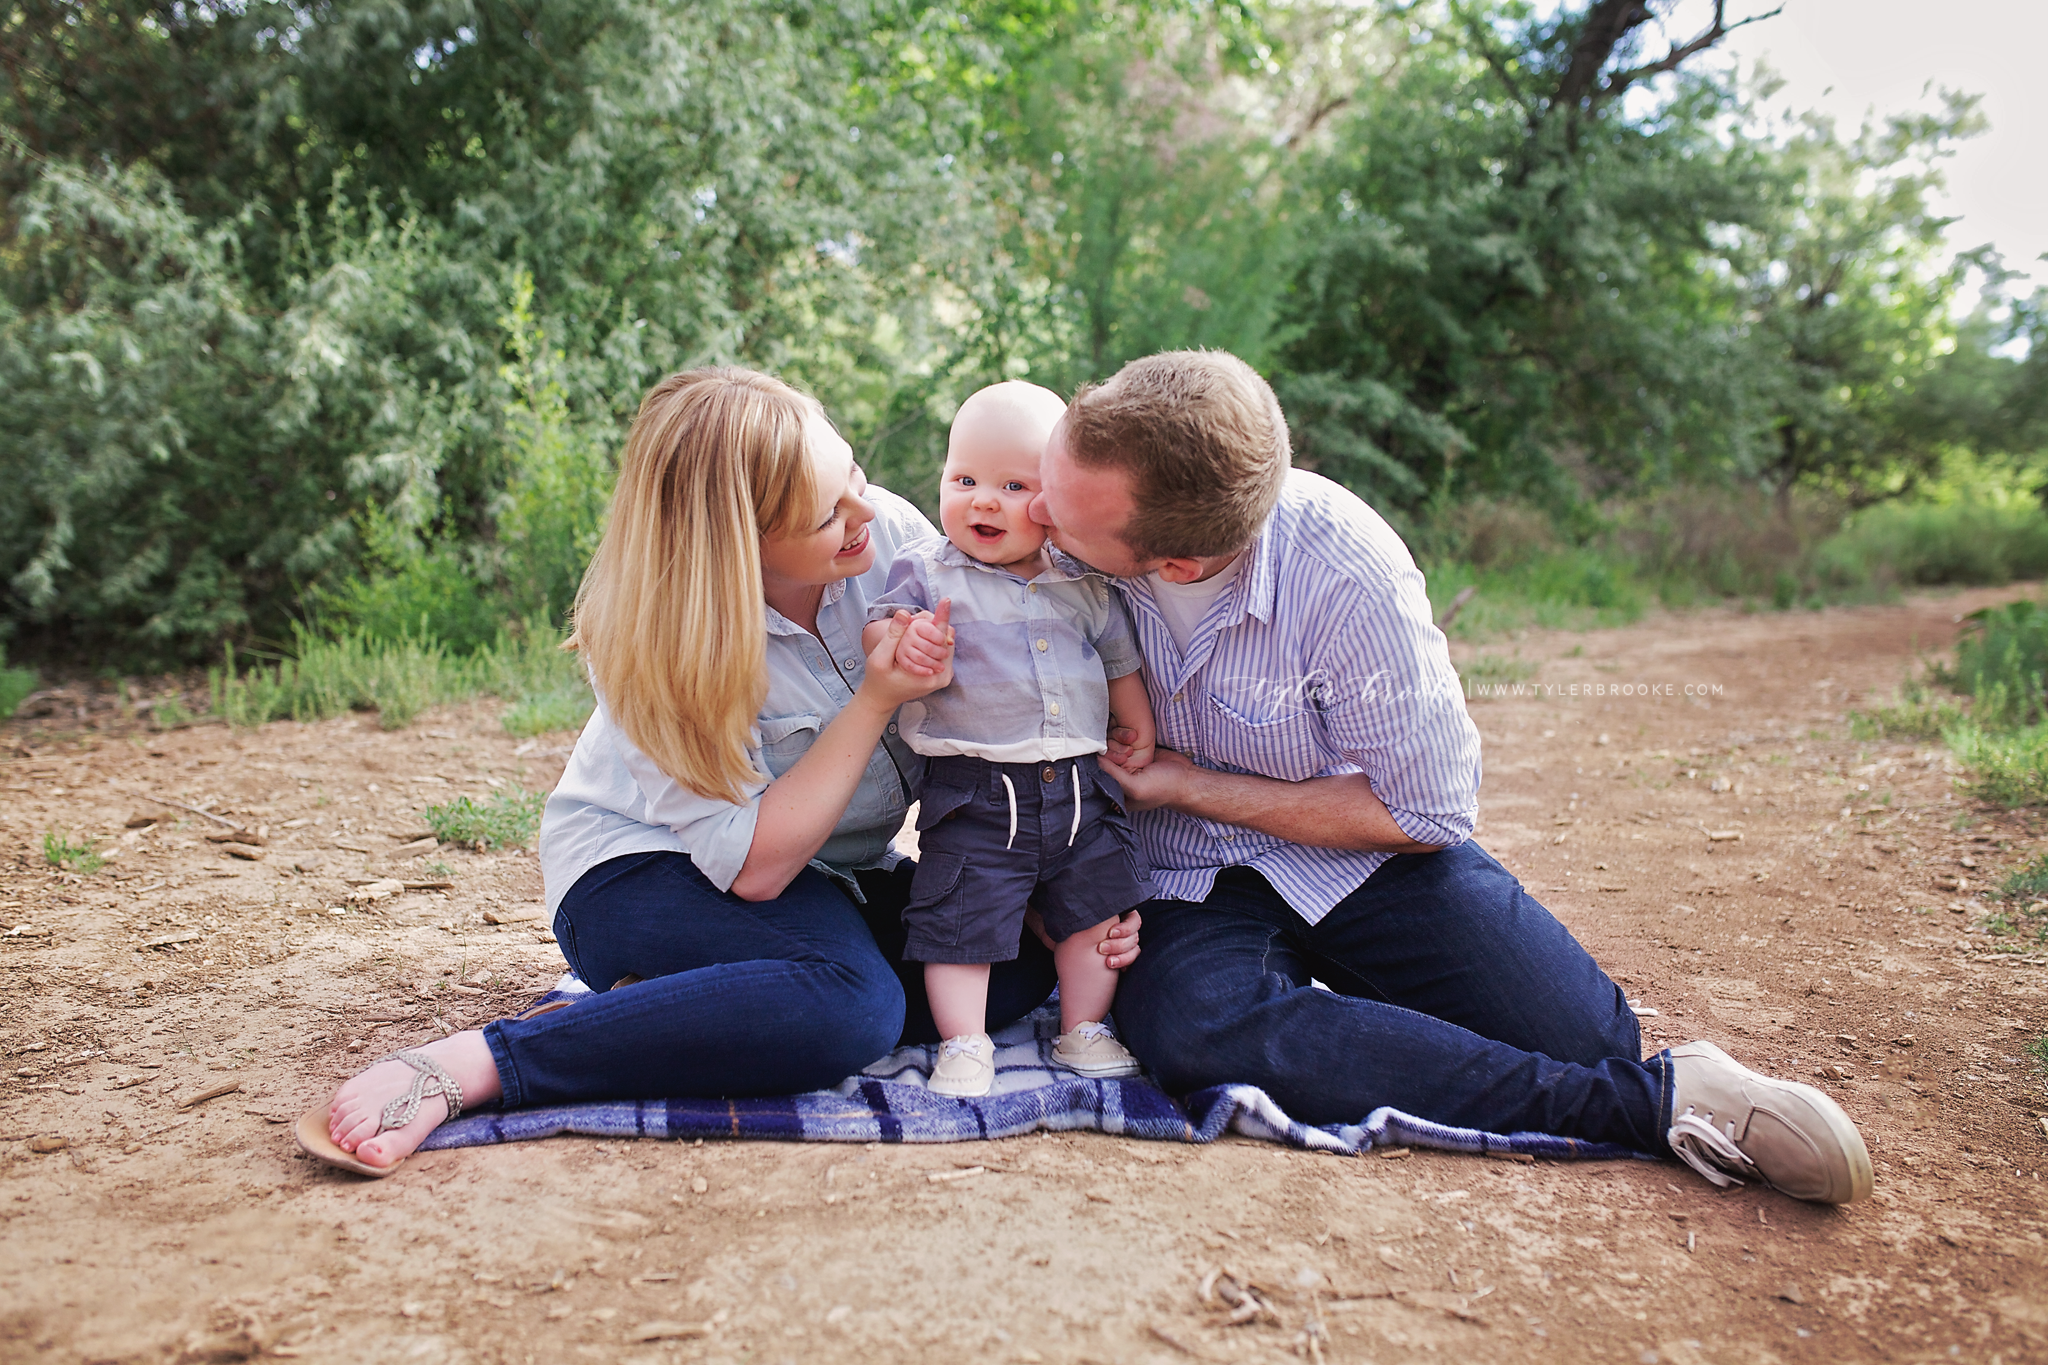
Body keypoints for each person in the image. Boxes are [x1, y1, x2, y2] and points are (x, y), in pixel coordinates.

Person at [1028, 349, 1872, 1204]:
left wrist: (1187, 783)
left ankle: (1598, 1077)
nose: (1037, 515)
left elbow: (1424, 808)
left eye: (1061, 514)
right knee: (1198, 1035)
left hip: (1353, 849)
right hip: (1177, 875)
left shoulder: (1346, 573)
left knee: (1588, 1034)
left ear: (1173, 562)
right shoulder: (1047, 539)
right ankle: (1650, 1106)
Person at [296, 367, 1139, 1176]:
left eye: (855, 474)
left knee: (1014, 966)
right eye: (824, 515)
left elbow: (1013, 706)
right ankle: (487, 1059)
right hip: (648, 871)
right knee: (851, 1006)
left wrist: (1038, 880)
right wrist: (877, 696)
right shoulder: (659, 646)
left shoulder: (895, 539)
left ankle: (693, 1001)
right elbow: (756, 869)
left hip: (832, 871)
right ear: (742, 542)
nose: (864, 513)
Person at [860, 381, 1157, 1097]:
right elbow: (882, 629)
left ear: (1053, 500)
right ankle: (965, 1041)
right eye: (963, 479)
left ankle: (1082, 1026)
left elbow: (1118, 659)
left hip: (1081, 788)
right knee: (960, 916)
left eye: (1011, 484)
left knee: (1095, 911)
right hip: (975, 793)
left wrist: (1136, 722)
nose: (982, 499)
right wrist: (906, 643)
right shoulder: (927, 571)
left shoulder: (1082, 583)